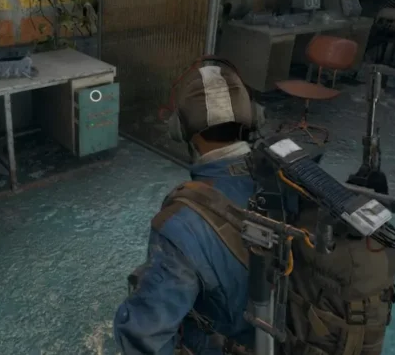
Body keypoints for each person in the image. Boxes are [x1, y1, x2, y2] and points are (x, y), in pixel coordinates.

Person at [114, 59, 291, 355]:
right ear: (254, 117)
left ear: (180, 129)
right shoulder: (292, 178)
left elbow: (145, 338)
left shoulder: (179, 225)